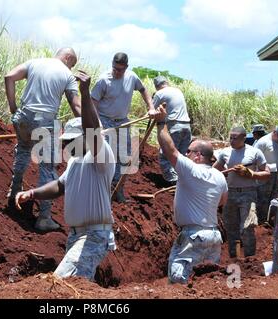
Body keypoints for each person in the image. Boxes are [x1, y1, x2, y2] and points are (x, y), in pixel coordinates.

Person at [15, 70, 117, 281]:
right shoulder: (75, 163)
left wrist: (85, 93)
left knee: (62, 283)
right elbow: (59, 186)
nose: (65, 145)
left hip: (94, 235)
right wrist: (32, 193)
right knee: (78, 286)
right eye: (64, 141)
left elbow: (92, 131)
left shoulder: (99, 156)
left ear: (83, 139)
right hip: (77, 235)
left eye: (70, 140)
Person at [4, 48, 81, 232]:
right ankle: (44, 217)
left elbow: (9, 77)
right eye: (72, 64)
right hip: (44, 122)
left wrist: (13, 107)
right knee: (47, 166)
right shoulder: (67, 75)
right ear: (68, 58)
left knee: (23, 151)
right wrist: (89, 127)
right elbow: (76, 105)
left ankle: (14, 192)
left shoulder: (34, 62)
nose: (71, 68)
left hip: (23, 116)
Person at [156, 107, 228, 283]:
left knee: (178, 280)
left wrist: (161, 122)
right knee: (206, 281)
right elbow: (222, 202)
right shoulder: (220, 176)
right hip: (213, 236)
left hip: (194, 235)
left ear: (197, 155)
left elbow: (170, 150)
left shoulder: (191, 170)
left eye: (188, 151)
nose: (185, 154)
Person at [91, 52, 158, 203]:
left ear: (126, 67)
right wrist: (98, 123)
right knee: (107, 156)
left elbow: (143, 90)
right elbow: (93, 102)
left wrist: (151, 107)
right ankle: (102, 191)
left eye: (120, 69)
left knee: (125, 157)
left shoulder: (132, 77)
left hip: (122, 122)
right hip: (105, 121)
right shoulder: (103, 80)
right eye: (115, 68)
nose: (116, 72)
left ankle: (117, 189)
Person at [214, 127, 270, 258]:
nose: (232, 141)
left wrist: (251, 174)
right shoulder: (225, 153)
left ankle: (250, 259)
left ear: (244, 138)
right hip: (230, 193)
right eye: (230, 138)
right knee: (231, 228)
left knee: (247, 228)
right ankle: (234, 258)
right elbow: (214, 170)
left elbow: (267, 174)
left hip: (248, 193)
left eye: (235, 138)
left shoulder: (255, 152)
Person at [153, 76, 191, 185]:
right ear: (166, 82)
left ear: (157, 86)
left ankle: (173, 183)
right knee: (181, 156)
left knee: (166, 154)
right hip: (186, 127)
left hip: (174, 126)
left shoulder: (160, 93)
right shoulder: (177, 90)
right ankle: (183, 181)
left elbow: (151, 111)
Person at [254, 124, 278, 223]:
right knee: (262, 197)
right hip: (265, 174)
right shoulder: (263, 142)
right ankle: (260, 220)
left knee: (275, 197)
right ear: (274, 132)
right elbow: (254, 158)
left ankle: (271, 219)